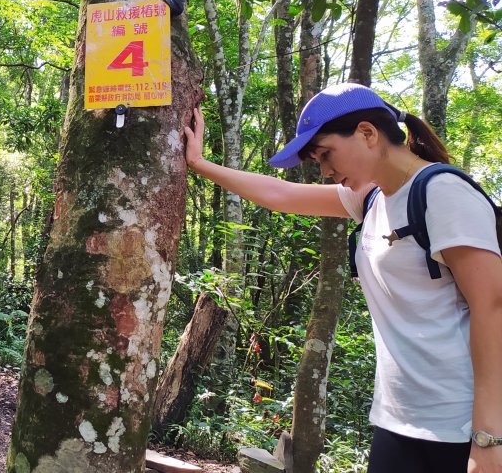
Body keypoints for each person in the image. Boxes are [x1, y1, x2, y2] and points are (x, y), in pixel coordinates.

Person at [182, 82, 502, 473]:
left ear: (367, 133)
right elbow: (280, 195)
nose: (326, 171)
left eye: (326, 154)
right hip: (397, 420)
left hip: (461, 425)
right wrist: (199, 163)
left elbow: (492, 308)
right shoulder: (372, 199)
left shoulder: (443, 193)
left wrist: (488, 436)